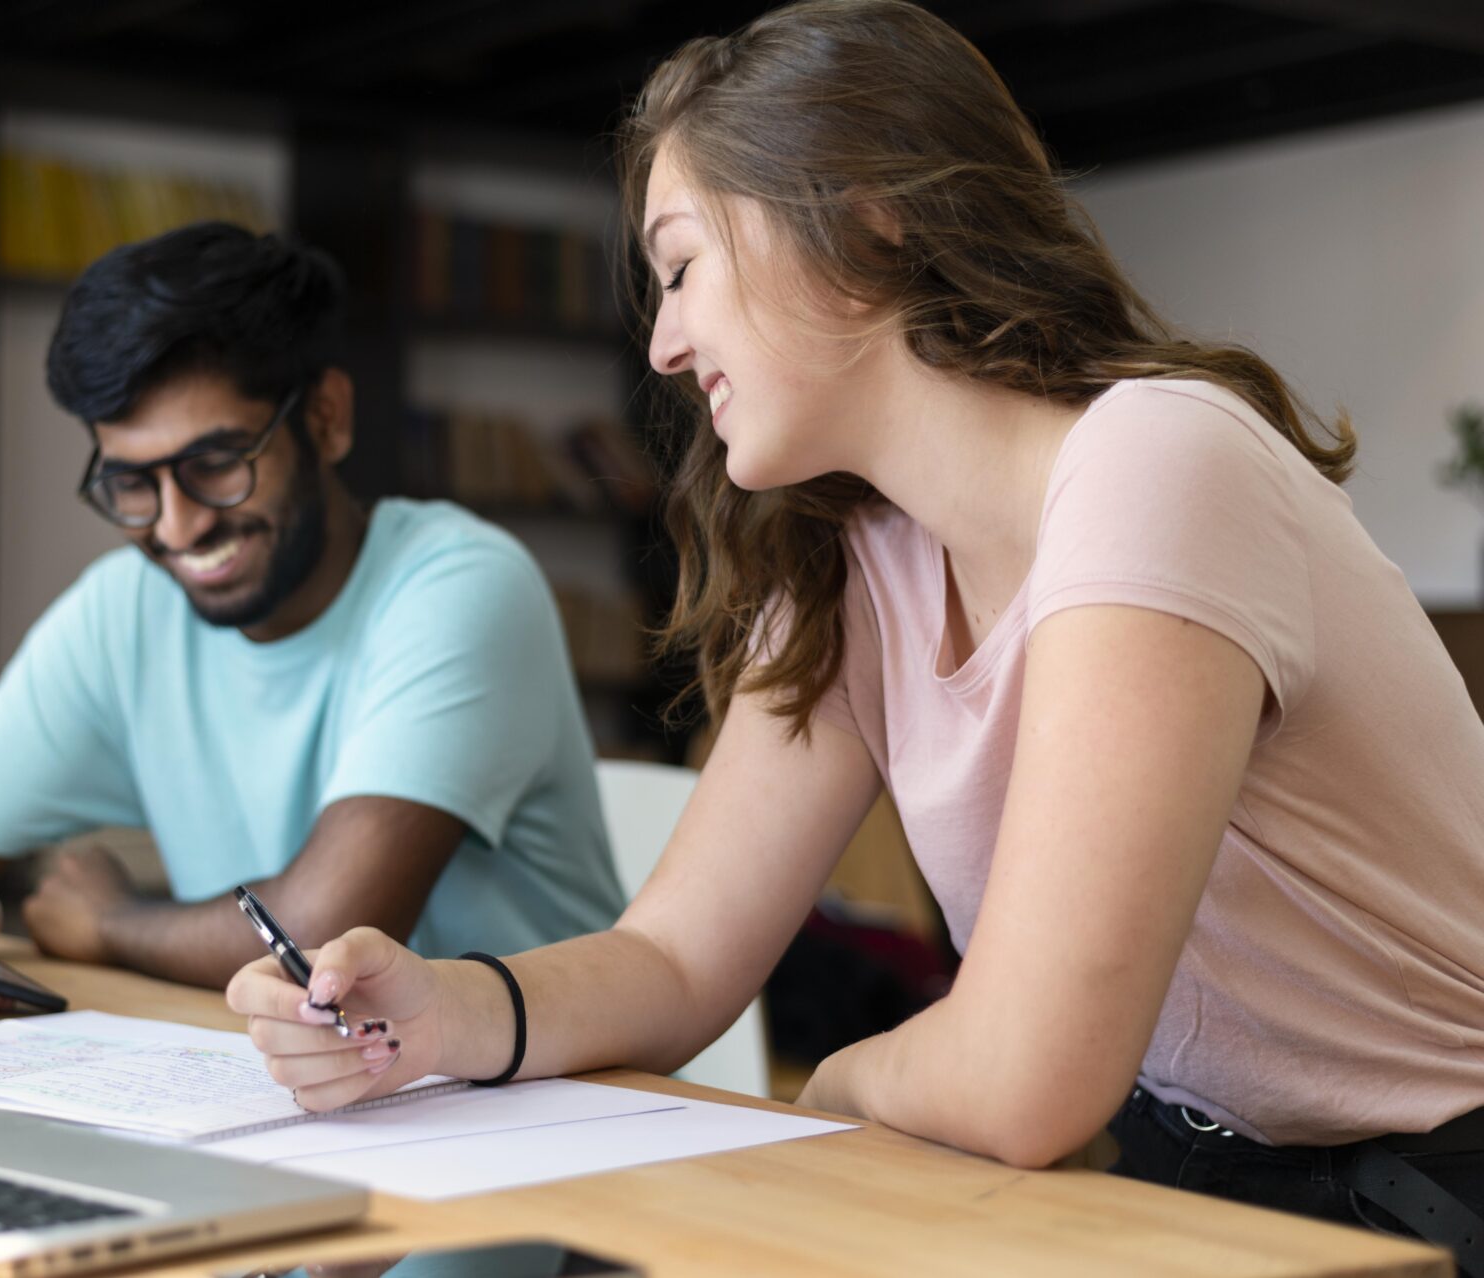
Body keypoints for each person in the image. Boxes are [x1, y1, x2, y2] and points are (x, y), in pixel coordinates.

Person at [228, 0, 1484, 1262]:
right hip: (1199, 1172)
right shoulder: (853, 556)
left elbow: (1023, 1078)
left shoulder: (1157, 459)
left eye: (681, 267)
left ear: (866, 213)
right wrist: (435, 1014)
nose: (663, 343)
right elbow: (674, 959)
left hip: (1445, 1187)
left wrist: (833, 1089)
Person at [0, 221, 625, 1007]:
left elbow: (324, 936)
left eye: (215, 464)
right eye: (132, 483)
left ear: (327, 418)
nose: (177, 527)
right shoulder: (122, 614)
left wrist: (111, 923)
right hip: (313, 1096)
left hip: (566, 1110)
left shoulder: (460, 585)